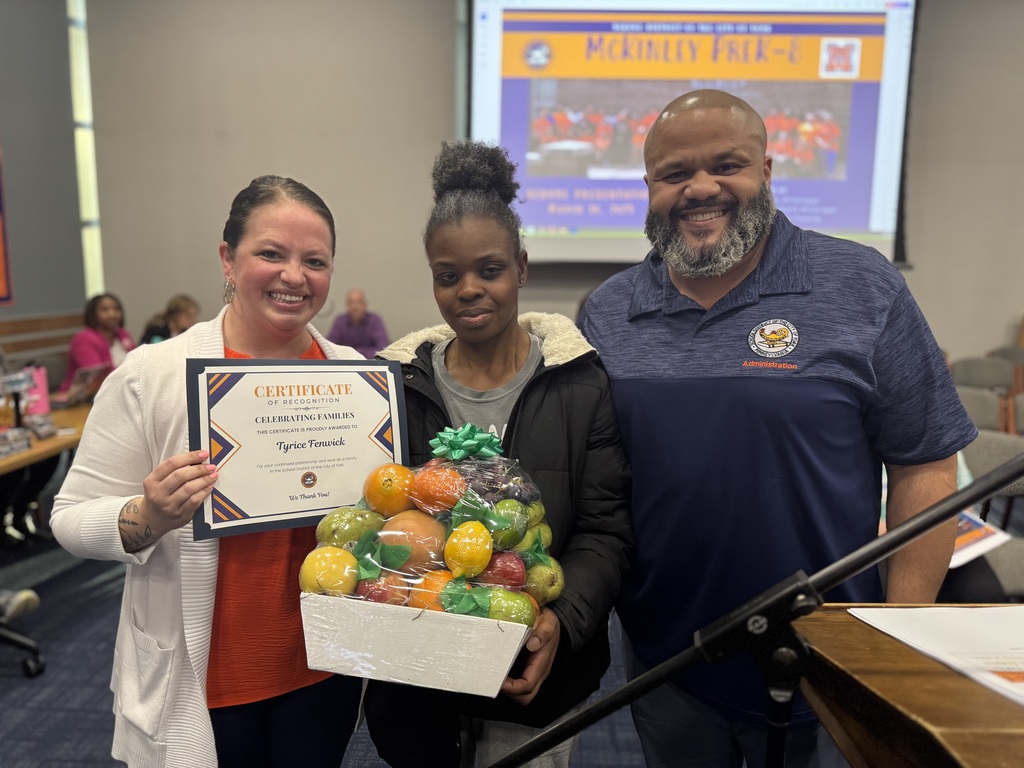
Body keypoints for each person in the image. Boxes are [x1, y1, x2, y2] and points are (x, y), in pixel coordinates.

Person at [578, 89, 978, 768]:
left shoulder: (863, 285)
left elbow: (926, 463)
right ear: (648, 187)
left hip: (827, 659)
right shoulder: (608, 313)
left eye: (725, 165)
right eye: (675, 173)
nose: (700, 188)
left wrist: (897, 632)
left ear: (766, 170)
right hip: (664, 657)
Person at [50, 175, 364, 768]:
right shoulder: (154, 374)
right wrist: (148, 517)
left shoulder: (356, 378)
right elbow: (66, 518)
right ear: (227, 257)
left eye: (314, 261)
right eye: (271, 253)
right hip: (203, 679)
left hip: (325, 668)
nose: (294, 276)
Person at [363, 140, 633, 768]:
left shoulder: (579, 384)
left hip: (532, 674)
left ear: (523, 267)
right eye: (447, 275)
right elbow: (374, 524)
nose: (469, 290)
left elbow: (605, 530)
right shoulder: (396, 386)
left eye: (490, 269)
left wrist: (560, 621)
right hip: (416, 675)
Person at [58, 293, 135, 392]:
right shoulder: (83, 339)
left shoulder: (123, 335)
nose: (112, 314)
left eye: (116, 309)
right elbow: (98, 377)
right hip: (82, 397)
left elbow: (136, 363)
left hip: (121, 391)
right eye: (105, 310)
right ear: (93, 314)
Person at [326, 287, 389, 357]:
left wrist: (356, 353)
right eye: (351, 302)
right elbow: (329, 348)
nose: (355, 307)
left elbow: (383, 349)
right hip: (346, 365)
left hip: (370, 365)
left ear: (365, 304)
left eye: (359, 302)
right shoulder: (340, 321)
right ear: (347, 305)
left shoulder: (375, 321)